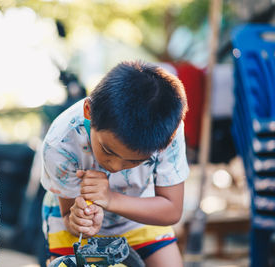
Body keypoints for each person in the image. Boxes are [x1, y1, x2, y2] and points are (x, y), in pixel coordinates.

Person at [40, 60, 189, 267]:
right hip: (74, 226)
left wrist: (110, 199)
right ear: (88, 111)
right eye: (108, 150)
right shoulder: (61, 142)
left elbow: (172, 209)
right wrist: (78, 220)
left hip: (140, 216)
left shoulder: (166, 133)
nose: (115, 166)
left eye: (136, 161)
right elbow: (68, 215)